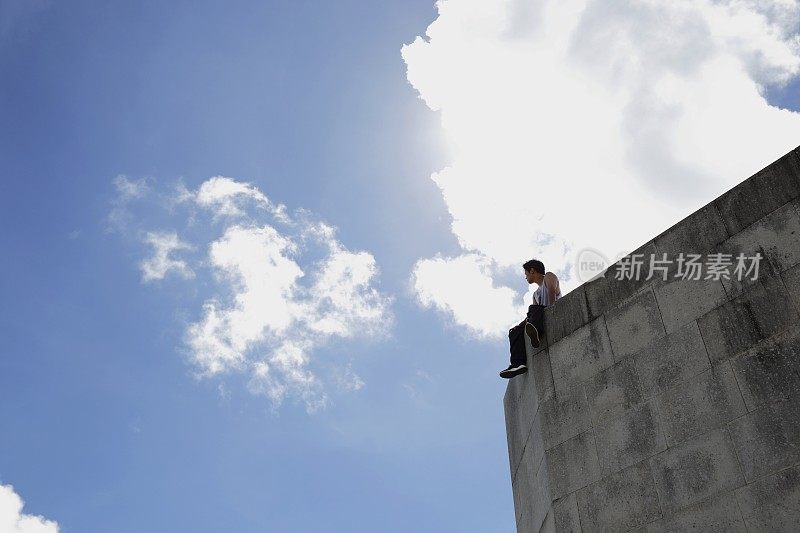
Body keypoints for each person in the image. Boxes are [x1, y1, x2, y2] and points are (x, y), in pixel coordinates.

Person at [500, 259, 561, 379]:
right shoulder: (535, 294)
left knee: (533, 308)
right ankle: (518, 364)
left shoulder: (548, 276)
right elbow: (531, 315)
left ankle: (536, 332)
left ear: (532, 271)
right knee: (515, 331)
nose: (526, 277)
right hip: (538, 315)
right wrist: (520, 325)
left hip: (550, 311)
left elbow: (552, 292)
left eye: (526, 274)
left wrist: (552, 311)